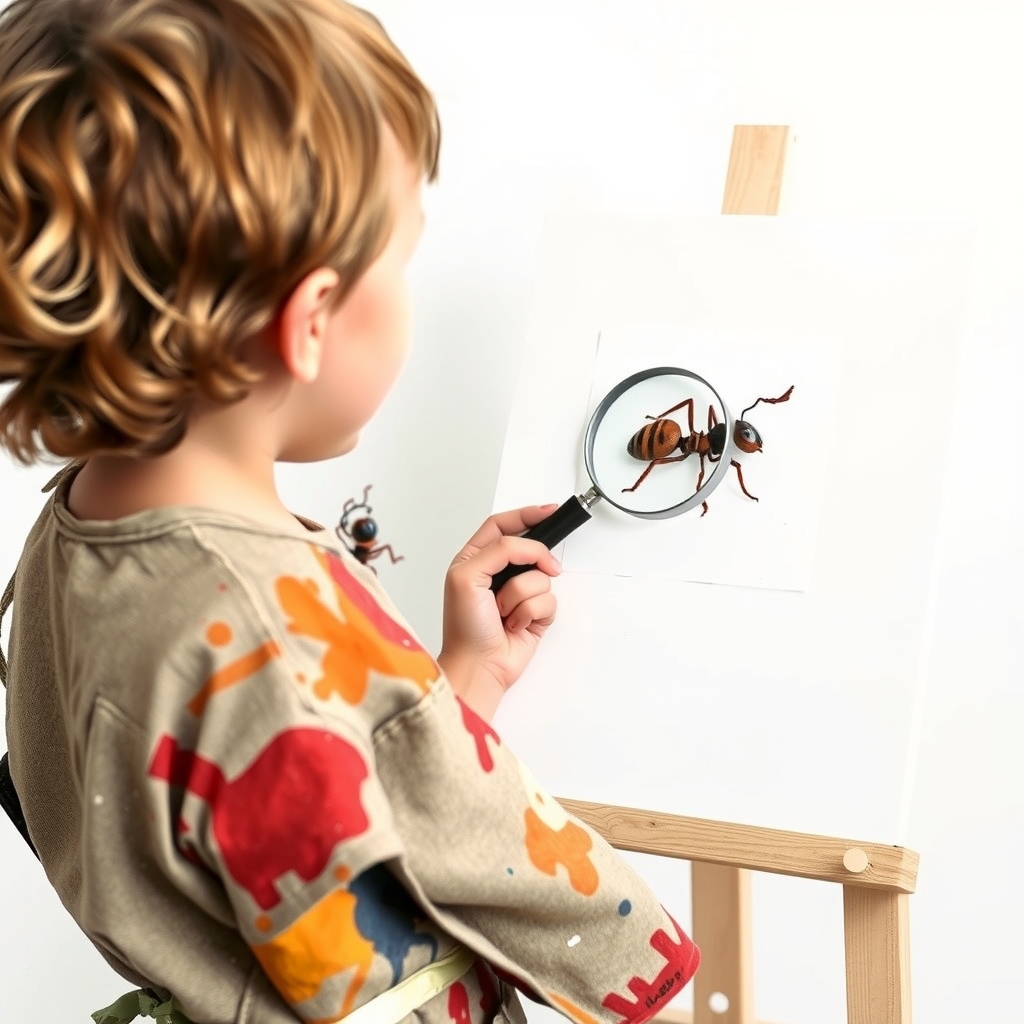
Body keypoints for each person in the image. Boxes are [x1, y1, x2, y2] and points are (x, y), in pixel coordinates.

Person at [0, 1, 700, 1022]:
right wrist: (664, 985)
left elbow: (297, 810)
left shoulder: (81, 540)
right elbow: (487, 857)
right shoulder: (264, 622)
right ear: (313, 320)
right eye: (401, 259)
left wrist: (447, 692)